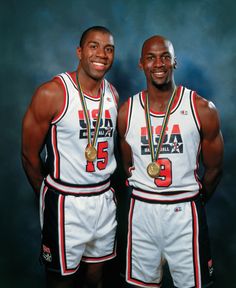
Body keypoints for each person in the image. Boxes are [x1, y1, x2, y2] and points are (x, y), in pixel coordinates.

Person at [118, 35, 224, 288]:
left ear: (174, 62)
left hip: (185, 213)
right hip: (142, 212)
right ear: (141, 64)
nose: (159, 64)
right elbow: (128, 167)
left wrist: (191, 202)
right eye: (151, 58)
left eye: (165, 56)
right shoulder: (127, 111)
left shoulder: (201, 109)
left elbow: (215, 168)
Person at [21, 26, 119, 288]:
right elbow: (29, 155)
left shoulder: (113, 94)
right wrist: (46, 194)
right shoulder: (52, 93)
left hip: (103, 201)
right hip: (65, 202)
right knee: (61, 282)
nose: (102, 54)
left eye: (108, 49)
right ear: (79, 51)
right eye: (94, 46)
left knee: (97, 279)